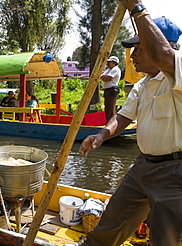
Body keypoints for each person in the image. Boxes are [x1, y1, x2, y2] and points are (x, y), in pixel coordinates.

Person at [77, 6, 182, 246]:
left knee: (166, 238)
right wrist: (102, 135)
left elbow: (164, 56)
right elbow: (123, 117)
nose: (132, 56)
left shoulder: (178, 75)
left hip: (174, 172)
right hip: (143, 164)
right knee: (112, 222)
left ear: (160, 47)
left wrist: (136, 8)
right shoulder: (142, 85)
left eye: (139, 48)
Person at [100, 56, 121, 123]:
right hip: (107, 90)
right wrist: (104, 77)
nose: (107, 63)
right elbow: (101, 77)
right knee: (108, 108)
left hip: (111, 91)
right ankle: (109, 122)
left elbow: (107, 78)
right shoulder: (109, 70)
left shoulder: (115, 69)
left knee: (110, 108)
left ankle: (110, 123)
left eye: (109, 62)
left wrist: (104, 77)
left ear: (114, 63)